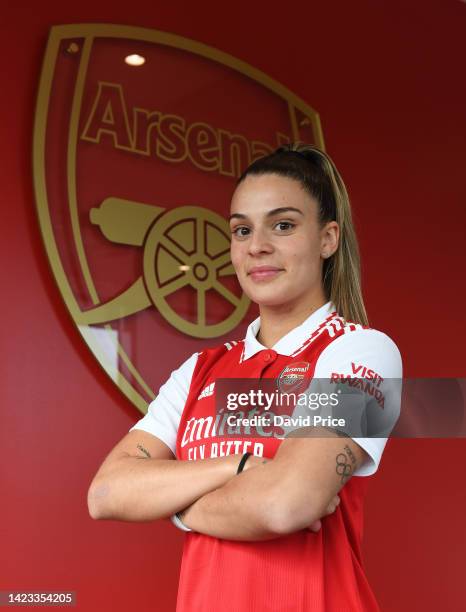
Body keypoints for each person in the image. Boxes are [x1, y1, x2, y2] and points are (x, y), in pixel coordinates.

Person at [87, 144, 402, 611]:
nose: (257, 246)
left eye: (284, 225)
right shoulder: (199, 371)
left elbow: (286, 505)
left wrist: (173, 503)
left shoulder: (364, 352)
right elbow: (106, 492)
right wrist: (235, 467)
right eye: (241, 229)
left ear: (328, 239)